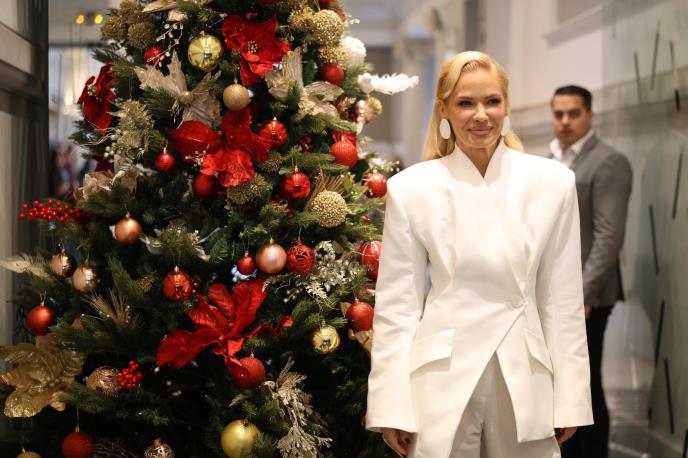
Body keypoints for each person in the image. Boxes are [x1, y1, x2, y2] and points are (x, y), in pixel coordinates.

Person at [365, 51, 593, 458]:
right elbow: (398, 306)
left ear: (506, 105)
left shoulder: (553, 183)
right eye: (466, 103)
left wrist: (571, 398)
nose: (481, 115)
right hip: (441, 377)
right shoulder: (411, 189)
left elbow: (561, 302)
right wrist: (390, 406)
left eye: (492, 101)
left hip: (524, 372)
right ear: (444, 110)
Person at [550, 85, 633, 458]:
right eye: (559, 114)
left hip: (588, 297)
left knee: (585, 383)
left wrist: (581, 294)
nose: (565, 121)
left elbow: (608, 236)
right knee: (563, 383)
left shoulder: (608, 161)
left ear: (590, 115)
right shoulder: (551, 160)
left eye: (574, 113)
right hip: (556, 294)